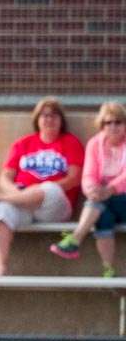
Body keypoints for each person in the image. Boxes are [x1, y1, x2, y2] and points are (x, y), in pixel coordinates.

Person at [0, 98, 83, 276]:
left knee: (49, 188)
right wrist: (17, 193)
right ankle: (2, 267)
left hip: (55, 206)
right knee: (2, 211)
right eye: (44, 115)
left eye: (54, 115)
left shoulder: (70, 142)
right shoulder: (23, 144)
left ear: (61, 120)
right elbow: (5, 177)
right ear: (37, 119)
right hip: (23, 204)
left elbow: (74, 178)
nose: (49, 119)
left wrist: (36, 191)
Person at [49, 102, 126, 278]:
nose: (113, 127)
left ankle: (75, 239)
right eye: (108, 123)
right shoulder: (94, 144)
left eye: (118, 122)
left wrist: (110, 189)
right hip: (104, 202)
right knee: (102, 215)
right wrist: (91, 189)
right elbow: (89, 174)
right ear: (102, 125)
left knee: (98, 202)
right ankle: (109, 269)